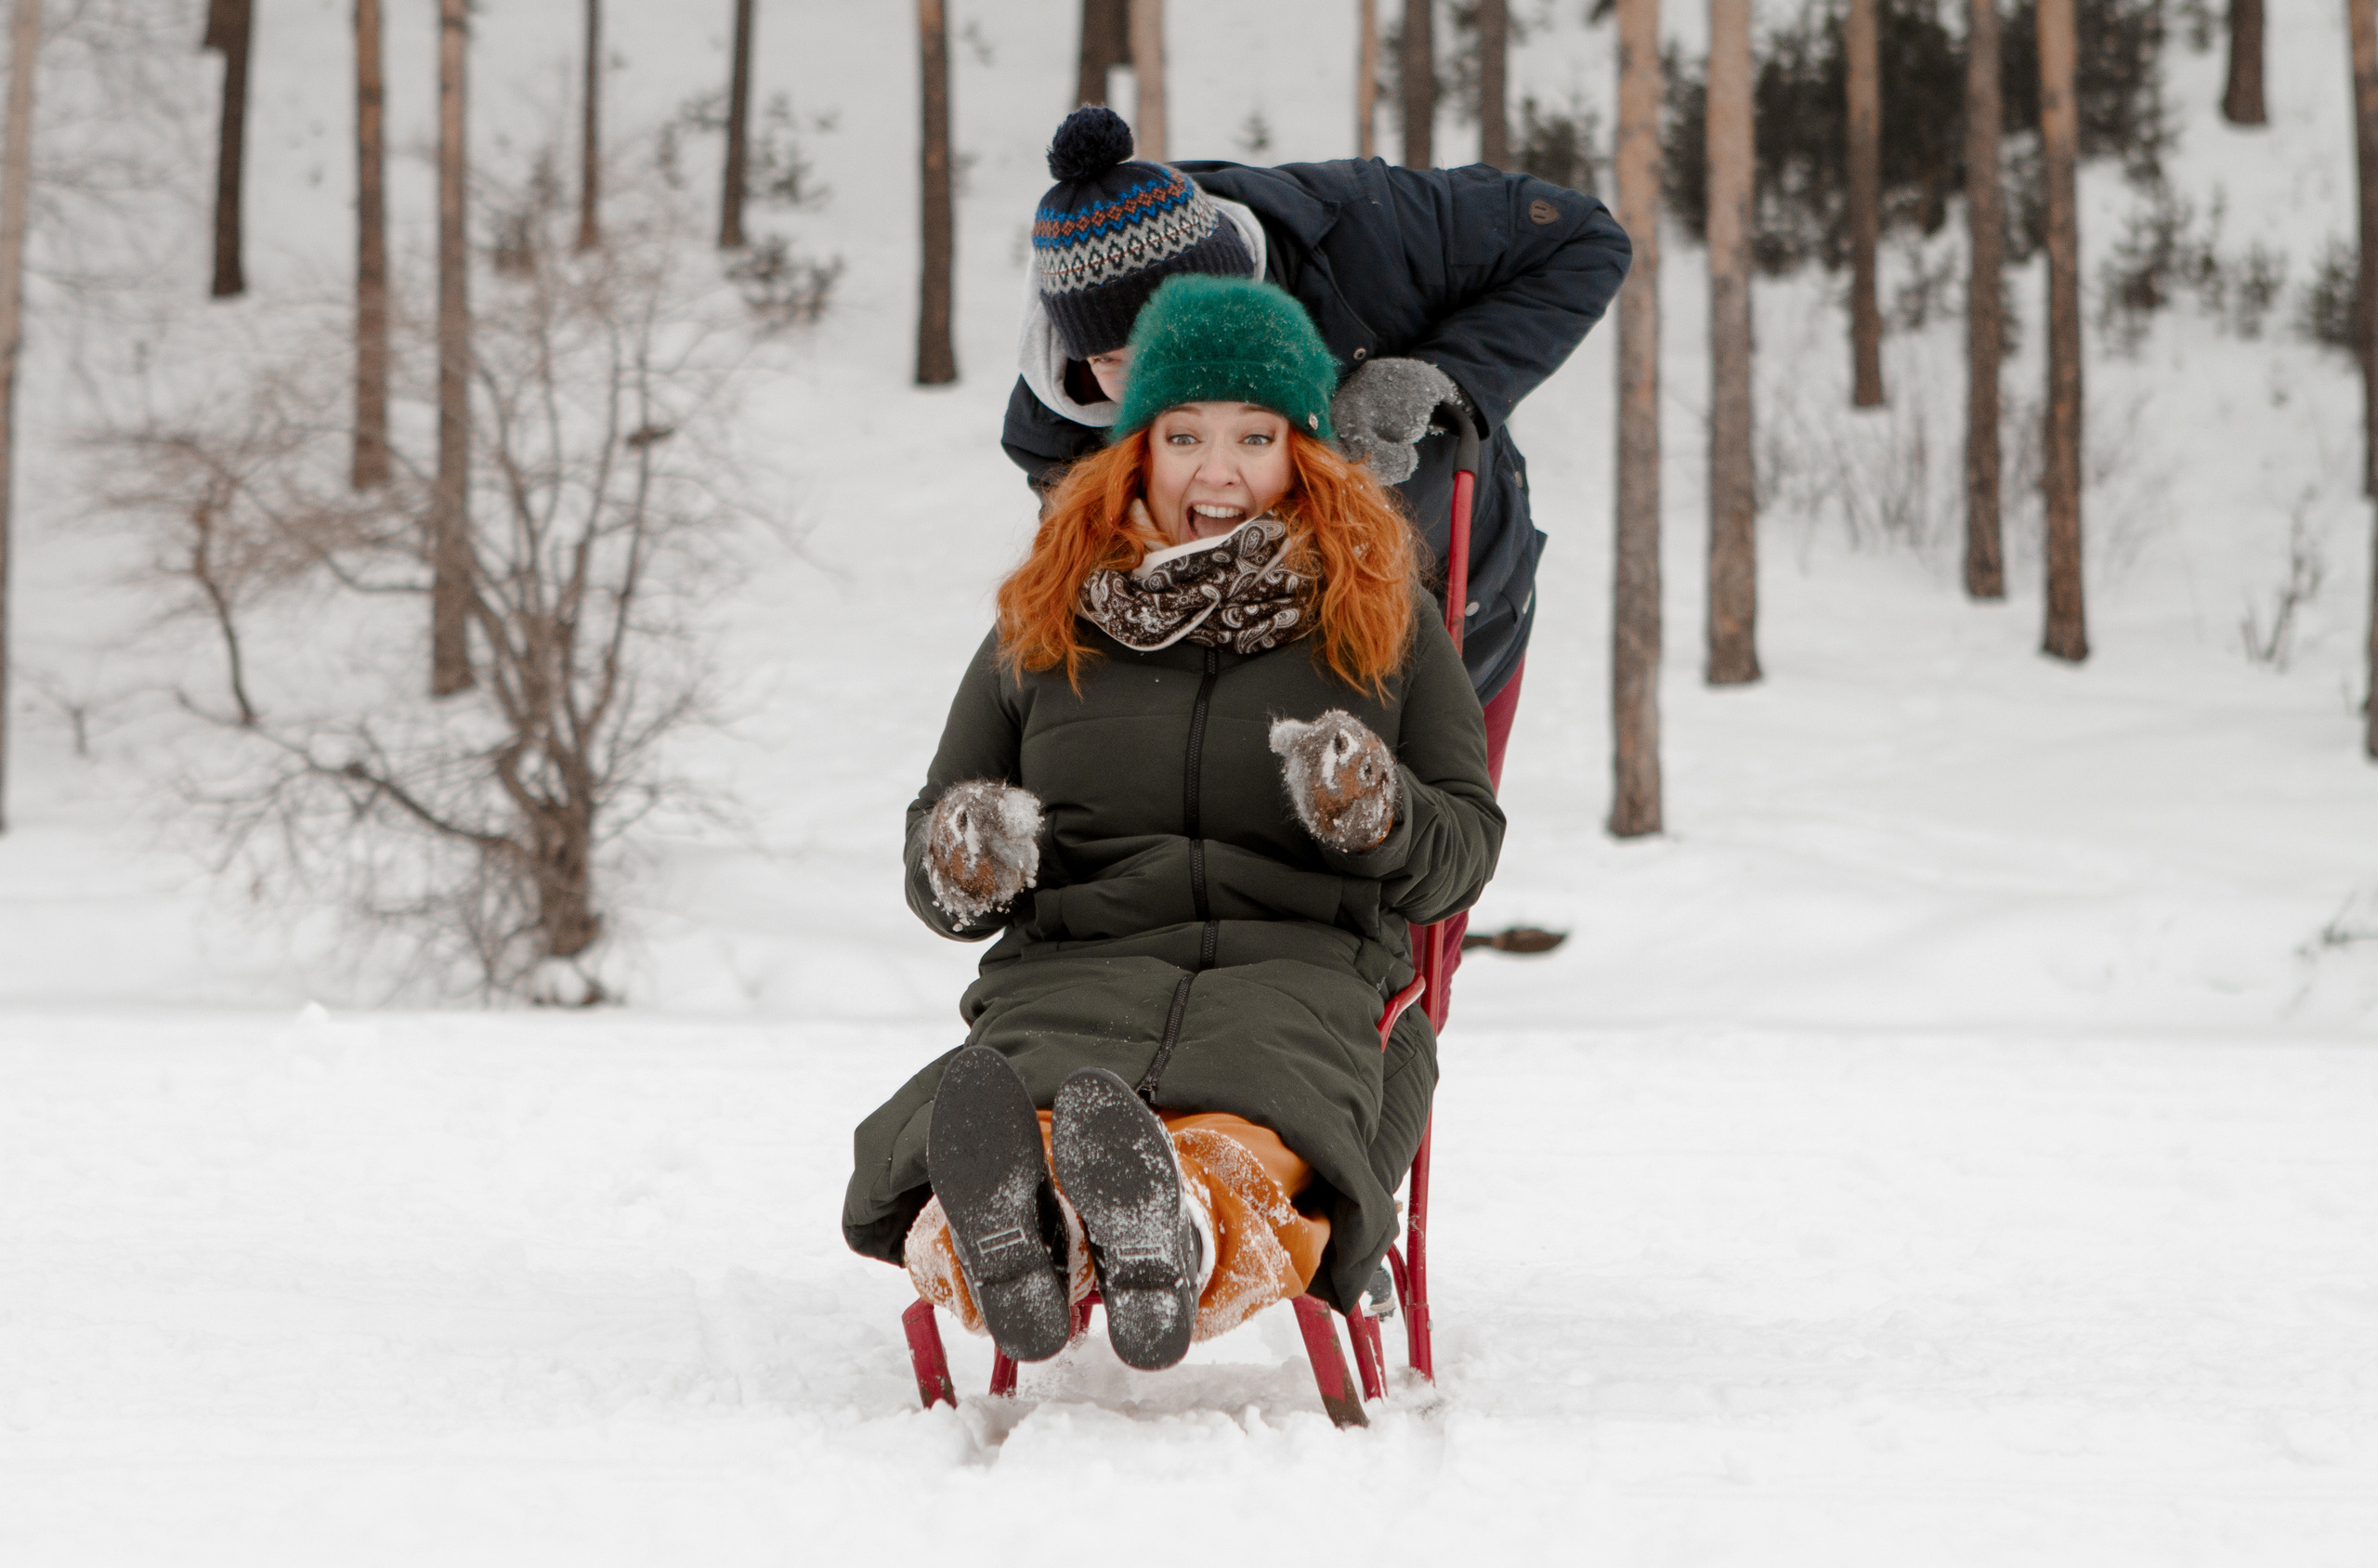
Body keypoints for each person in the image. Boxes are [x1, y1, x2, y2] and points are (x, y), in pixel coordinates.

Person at [843, 276, 1503, 1373]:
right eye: (1184, 434)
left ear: (1305, 454)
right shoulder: (1042, 621)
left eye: (1255, 435)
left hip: (1304, 982)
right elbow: (937, 852)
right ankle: (1015, 1238)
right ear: (1135, 449)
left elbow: (1464, 850)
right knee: (1024, 1116)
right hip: (1072, 977)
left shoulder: (1385, 617)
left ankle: (1176, 1231)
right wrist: (967, 851)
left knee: (1250, 1133)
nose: (1220, 469)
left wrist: (1375, 811)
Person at [1006, 106, 1630, 749]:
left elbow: (1580, 237)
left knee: (1446, 843)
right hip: (1244, 706)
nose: (1155, 389)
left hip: (1450, 623)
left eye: (1181, 344)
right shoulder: (1057, 427)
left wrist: (1440, 380)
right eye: (1114, 363)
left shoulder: (1360, 227)